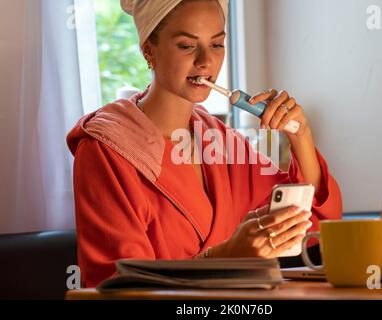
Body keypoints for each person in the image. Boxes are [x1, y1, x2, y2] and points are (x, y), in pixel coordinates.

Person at [66, 0, 342, 288]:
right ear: (149, 50)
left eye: (217, 45)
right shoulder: (105, 150)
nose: (205, 62)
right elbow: (119, 288)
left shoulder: (220, 141)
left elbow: (311, 221)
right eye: (187, 45)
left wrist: (301, 135)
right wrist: (225, 257)